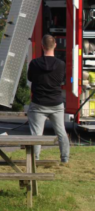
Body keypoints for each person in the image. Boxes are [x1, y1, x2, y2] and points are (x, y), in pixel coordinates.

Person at [28, 34, 70, 163]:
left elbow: (30, 78)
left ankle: (35, 159)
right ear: (55, 45)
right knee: (61, 132)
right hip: (56, 103)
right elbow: (62, 80)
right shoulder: (61, 64)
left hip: (38, 103)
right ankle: (64, 158)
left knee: (36, 134)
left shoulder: (34, 63)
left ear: (42, 46)